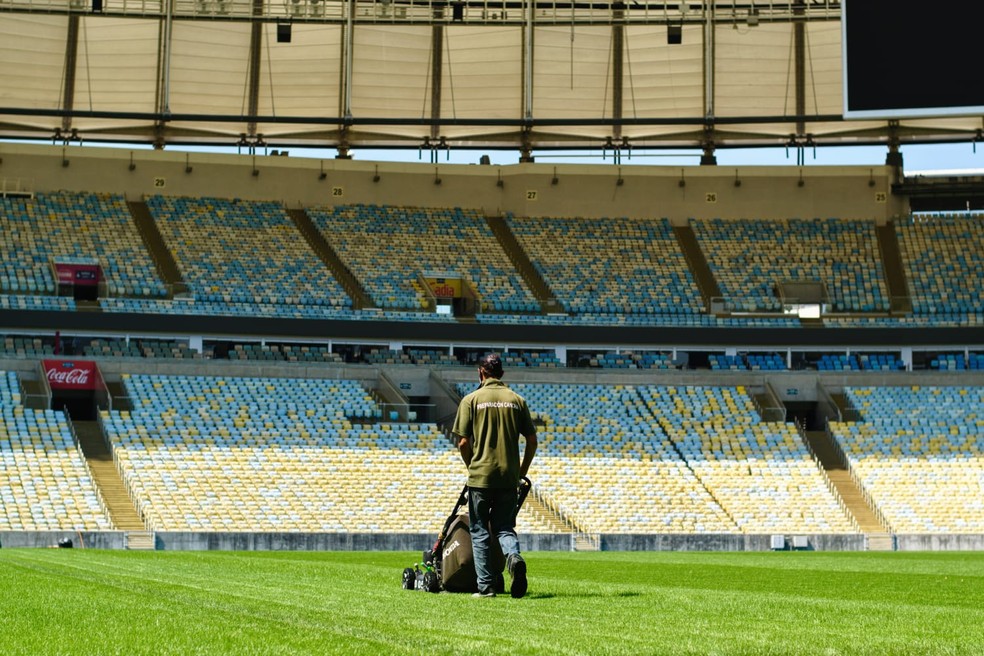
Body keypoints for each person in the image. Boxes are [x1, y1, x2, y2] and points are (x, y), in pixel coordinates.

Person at [452, 352, 537, 599]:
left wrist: (472, 467)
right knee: (504, 527)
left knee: (479, 530)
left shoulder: (471, 399)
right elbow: (532, 440)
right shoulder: (517, 400)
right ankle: (513, 557)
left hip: (481, 476)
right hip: (509, 477)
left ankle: (486, 587)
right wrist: (522, 471)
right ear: (501, 374)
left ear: (481, 372)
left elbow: (463, 443)